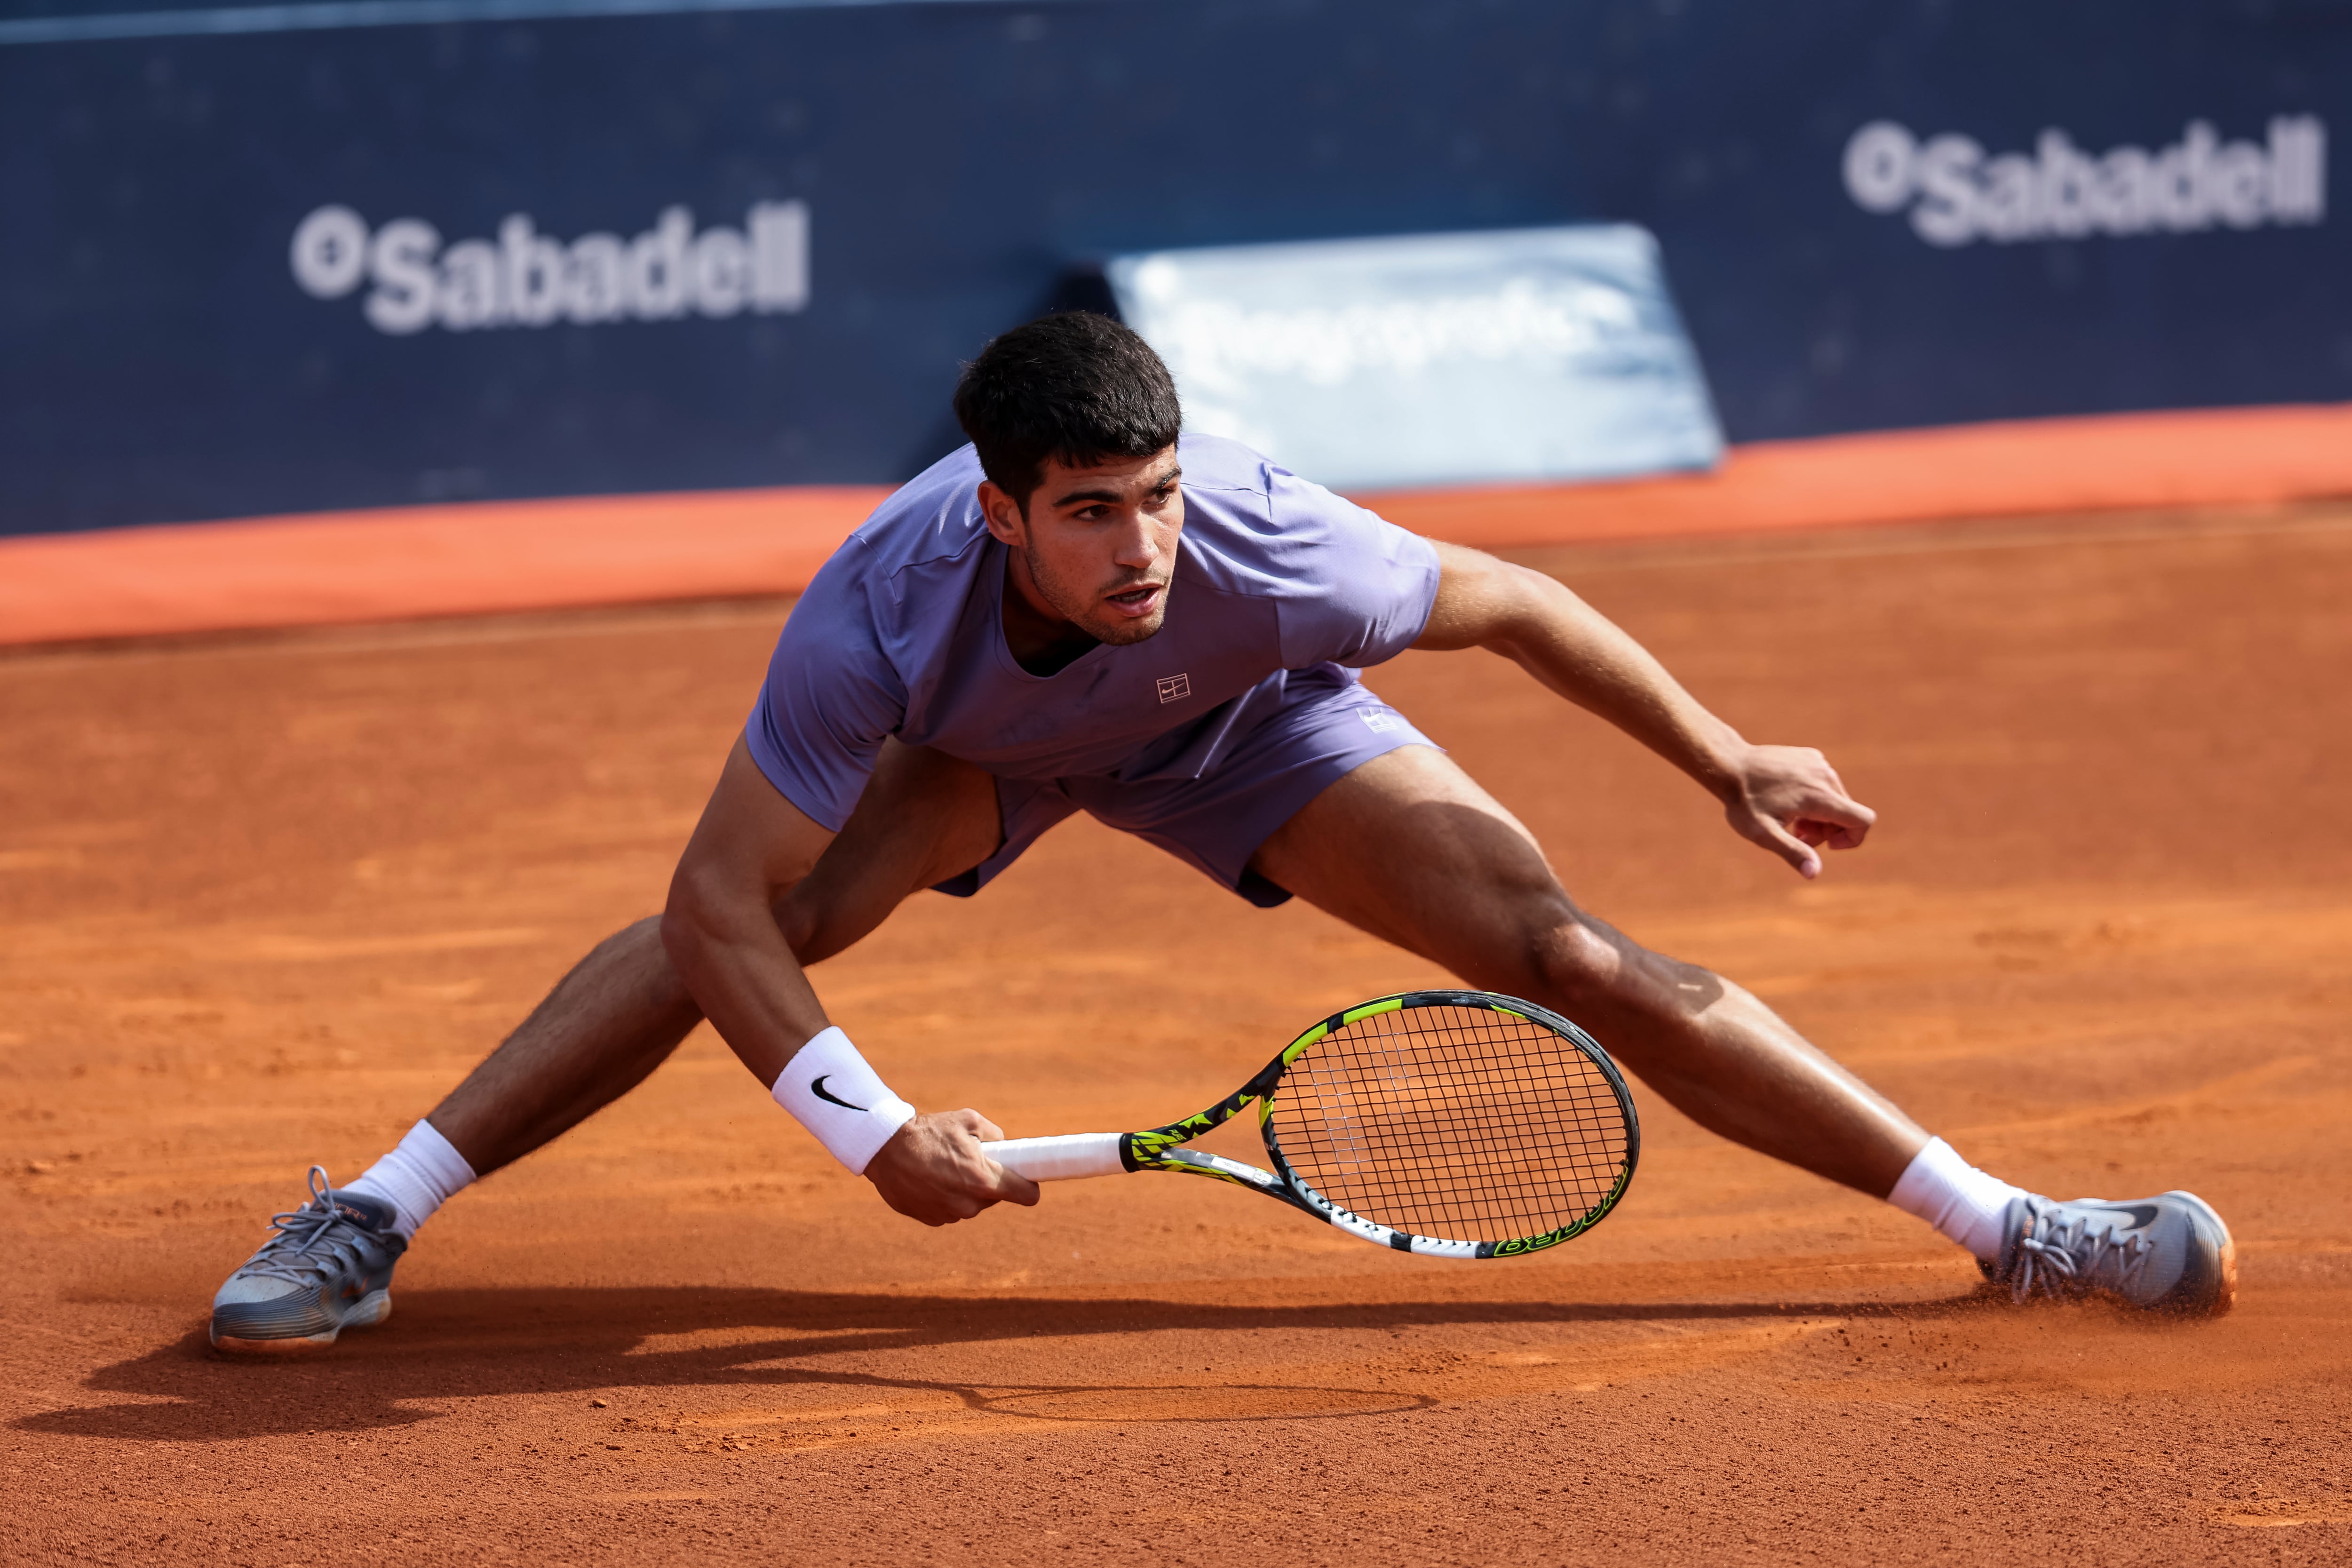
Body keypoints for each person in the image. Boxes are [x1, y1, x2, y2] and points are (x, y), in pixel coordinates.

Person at [208, 312, 2235, 1353]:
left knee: (1572, 956)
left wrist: (1719, 756)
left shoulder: (1259, 560)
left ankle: (2012, 1231)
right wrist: (864, 1129)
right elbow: (709, 909)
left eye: (1157, 494)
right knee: (766, 919)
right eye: (1091, 509)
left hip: (1242, 730)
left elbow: (1515, 604)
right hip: (979, 748)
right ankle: (373, 1211)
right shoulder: (871, 609)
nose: (1143, 541)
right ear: (997, 508)